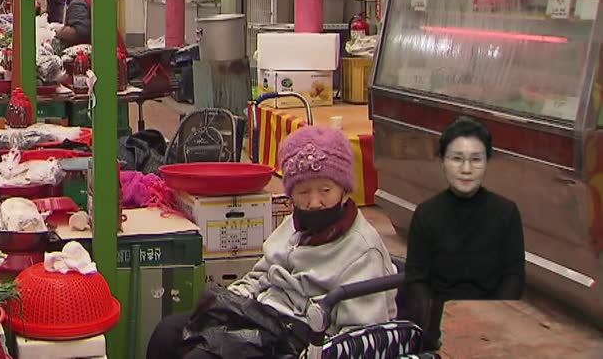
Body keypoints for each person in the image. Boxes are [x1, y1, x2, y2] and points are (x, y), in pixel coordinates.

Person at [148, 126, 397, 358]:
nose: (314, 202)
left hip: (304, 339)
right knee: (167, 333)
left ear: (344, 191)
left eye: (325, 190)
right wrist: (228, 304)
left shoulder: (363, 249)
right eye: (303, 192)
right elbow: (261, 275)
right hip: (262, 316)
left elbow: (359, 336)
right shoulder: (295, 225)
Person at [403, 116, 524, 350]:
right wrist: (436, 321)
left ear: (488, 161)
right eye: (456, 158)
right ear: (443, 161)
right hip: (440, 323)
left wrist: (489, 316)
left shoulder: (506, 212)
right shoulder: (426, 214)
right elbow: (416, 279)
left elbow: (514, 275)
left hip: (493, 326)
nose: (466, 169)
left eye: (476, 159)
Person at [54, 0, 127, 57]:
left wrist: (58, 32)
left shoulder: (78, 2)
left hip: (107, 56)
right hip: (115, 50)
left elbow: (79, 32)